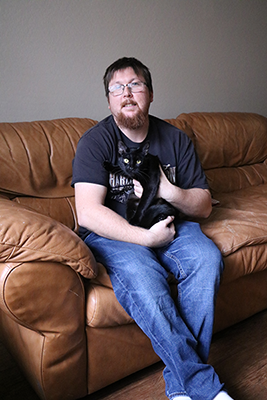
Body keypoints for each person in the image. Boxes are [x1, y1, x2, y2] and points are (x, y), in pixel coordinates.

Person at [72, 57, 233, 400]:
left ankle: (180, 388)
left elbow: (204, 206)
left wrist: (168, 190)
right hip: (114, 233)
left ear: (151, 93)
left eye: (135, 85)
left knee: (207, 259)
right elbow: (87, 213)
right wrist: (146, 239)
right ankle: (204, 386)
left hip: (169, 220)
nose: (126, 93)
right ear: (109, 99)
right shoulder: (94, 142)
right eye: (117, 88)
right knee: (146, 280)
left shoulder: (175, 139)